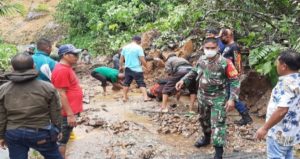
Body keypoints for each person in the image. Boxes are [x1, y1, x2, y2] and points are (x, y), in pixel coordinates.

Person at [176, 37, 240, 159]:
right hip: (202, 97)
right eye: (207, 48)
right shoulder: (202, 59)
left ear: (217, 48)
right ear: (203, 48)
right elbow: (194, 72)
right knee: (203, 120)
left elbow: (235, 81)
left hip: (218, 99)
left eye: (212, 48)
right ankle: (206, 138)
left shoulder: (225, 62)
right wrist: (183, 81)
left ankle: (218, 152)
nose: (209, 50)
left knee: (218, 124)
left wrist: (232, 99)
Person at [0, 53, 62, 159]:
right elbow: (56, 111)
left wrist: (1, 135)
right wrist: (57, 129)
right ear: (34, 66)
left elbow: (1, 115)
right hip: (41, 132)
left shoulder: (3, 89)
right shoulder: (47, 87)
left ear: (13, 68)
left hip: (14, 133)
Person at [256, 50, 300, 159]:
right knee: (288, 155)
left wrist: (264, 128)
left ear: (284, 66)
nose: (277, 66)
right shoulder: (297, 80)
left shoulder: (285, 84)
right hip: (292, 131)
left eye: (277, 63)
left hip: (279, 132)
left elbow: (282, 110)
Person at [51, 44, 83, 159]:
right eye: (74, 54)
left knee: (64, 139)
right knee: (62, 141)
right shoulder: (62, 70)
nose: (77, 56)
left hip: (68, 111)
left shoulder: (66, 68)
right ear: (65, 55)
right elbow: (61, 93)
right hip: (65, 114)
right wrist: (69, 114)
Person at [220, 29, 253, 126]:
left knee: (233, 97)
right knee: (230, 96)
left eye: (223, 36)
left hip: (232, 76)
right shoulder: (227, 46)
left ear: (228, 36)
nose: (221, 39)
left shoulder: (234, 46)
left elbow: (237, 60)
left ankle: (246, 117)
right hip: (226, 76)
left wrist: (237, 74)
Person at [119, 35, 150, 102]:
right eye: (140, 41)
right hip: (137, 69)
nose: (140, 42)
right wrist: (146, 67)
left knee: (126, 83)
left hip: (127, 69)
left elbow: (121, 58)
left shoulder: (125, 47)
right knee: (141, 83)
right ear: (138, 41)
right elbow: (142, 59)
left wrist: (120, 66)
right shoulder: (138, 48)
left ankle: (124, 97)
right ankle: (145, 97)